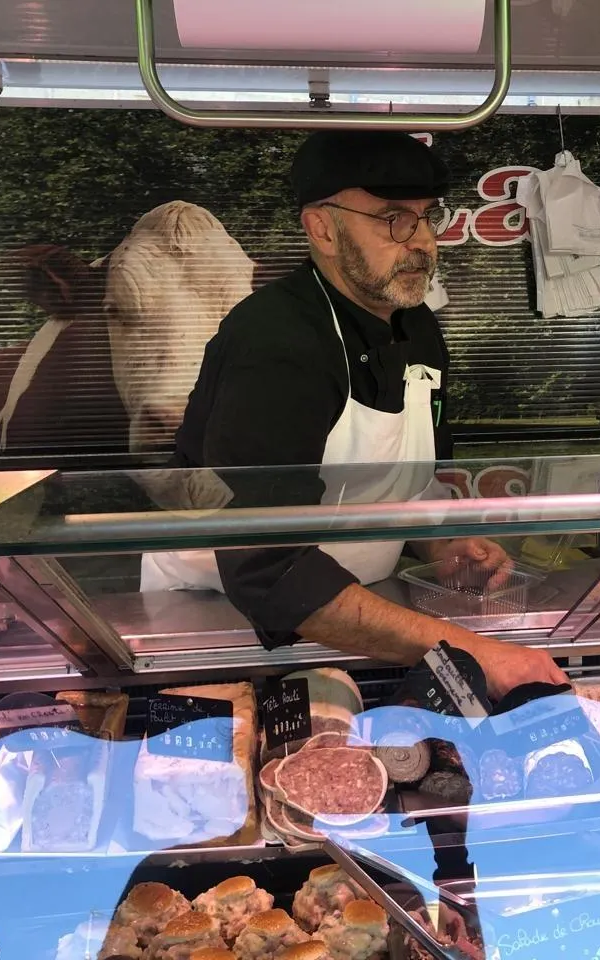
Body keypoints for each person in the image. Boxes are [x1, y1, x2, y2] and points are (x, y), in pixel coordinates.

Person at [140, 129, 567, 699]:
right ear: (322, 228)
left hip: (370, 616)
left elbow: (407, 482)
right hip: (217, 626)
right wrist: (473, 650)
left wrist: (438, 546)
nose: (423, 242)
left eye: (427, 217)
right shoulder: (274, 340)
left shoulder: (417, 327)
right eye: (393, 220)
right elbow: (269, 569)